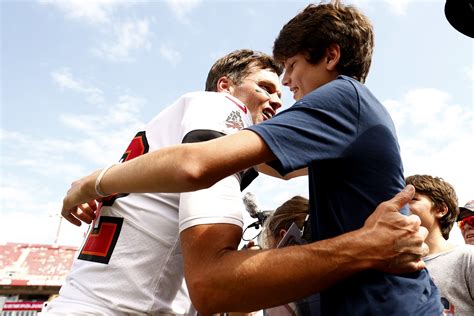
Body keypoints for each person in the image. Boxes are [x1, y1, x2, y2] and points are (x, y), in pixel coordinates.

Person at [60, 1, 435, 315]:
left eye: (291, 67)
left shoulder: (341, 96)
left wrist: (94, 181)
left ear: (331, 56)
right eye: (270, 82)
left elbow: (197, 164)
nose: (285, 87)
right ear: (227, 86)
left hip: (390, 303)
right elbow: (261, 165)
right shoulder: (341, 111)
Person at [43, 49, 284, 314]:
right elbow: (201, 166)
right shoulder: (222, 105)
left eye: (279, 94)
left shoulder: (172, 130)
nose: (276, 101)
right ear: (225, 86)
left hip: (89, 300)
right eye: (265, 88)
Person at [406, 175, 474, 315]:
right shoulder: (394, 265)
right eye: (462, 224)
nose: (401, 205)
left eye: (412, 199)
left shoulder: (468, 258)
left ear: (441, 210)